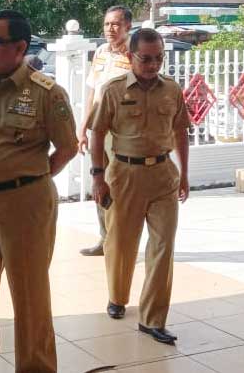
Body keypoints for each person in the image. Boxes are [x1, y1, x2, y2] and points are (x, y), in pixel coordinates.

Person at [0, 10, 78, 372]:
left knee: (29, 295)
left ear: (20, 48)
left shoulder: (45, 93)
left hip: (25, 203)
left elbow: (68, 147)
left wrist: (29, 176)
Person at [90, 28, 190, 345]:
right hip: (124, 174)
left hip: (163, 175)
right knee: (121, 243)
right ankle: (117, 296)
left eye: (159, 58)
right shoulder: (113, 89)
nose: (153, 65)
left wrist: (184, 174)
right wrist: (97, 176)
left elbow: (181, 132)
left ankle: (153, 319)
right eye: (145, 59)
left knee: (163, 247)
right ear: (130, 56)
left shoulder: (171, 89)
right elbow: (97, 133)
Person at [79, 5, 133, 256]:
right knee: (99, 182)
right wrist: (83, 127)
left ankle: (120, 241)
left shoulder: (136, 53)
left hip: (121, 130)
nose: (110, 29)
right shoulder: (101, 52)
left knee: (118, 185)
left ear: (127, 26)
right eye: (107, 24)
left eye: (116, 24)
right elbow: (93, 92)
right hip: (98, 128)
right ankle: (105, 239)